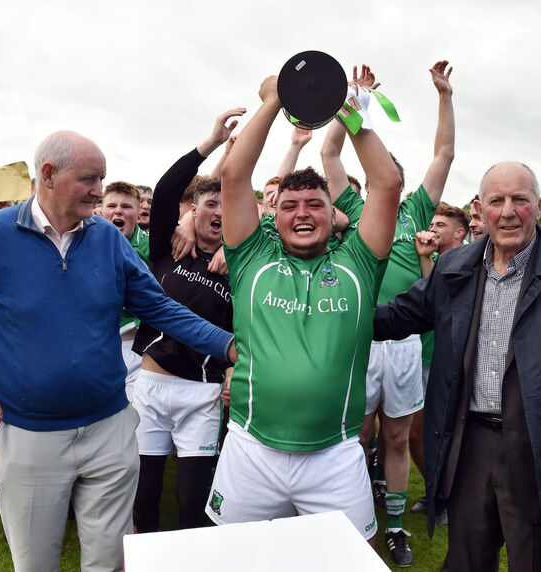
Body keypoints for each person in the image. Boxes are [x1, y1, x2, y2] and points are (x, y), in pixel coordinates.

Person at [0, 130, 236, 572]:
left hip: (111, 431)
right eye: (90, 179)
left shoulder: (108, 239)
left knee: (110, 562)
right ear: (48, 174)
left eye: (102, 179)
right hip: (29, 437)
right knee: (37, 563)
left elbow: (160, 307)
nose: (100, 191)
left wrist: (230, 346)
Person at [373, 162, 541, 571]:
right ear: (481, 208)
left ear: (540, 205)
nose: (508, 211)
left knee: (536, 561)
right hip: (470, 447)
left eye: (519, 200)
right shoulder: (455, 269)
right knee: (468, 560)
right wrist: (334, 313)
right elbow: (397, 317)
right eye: (497, 201)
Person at [205, 74, 402, 546]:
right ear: (275, 214)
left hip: (335, 453)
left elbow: (387, 182)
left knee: (354, 558)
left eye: (315, 203)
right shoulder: (251, 257)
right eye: (290, 205)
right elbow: (234, 175)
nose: (302, 213)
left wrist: (346, 108)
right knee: (236, 558)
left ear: (334, 214)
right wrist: (275, 100)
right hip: (251, 447)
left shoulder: (359, 261)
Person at [321, 61, 454, 566]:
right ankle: (351, 519)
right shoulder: (353, 209)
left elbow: (444, 153)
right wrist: (353, 99)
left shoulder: (417, 211)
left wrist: (444, 95)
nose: (387, 181)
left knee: (397, 438)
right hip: (356, 339)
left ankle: (395, 527)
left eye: (391, 174)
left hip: (402, 345)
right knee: (354, 438)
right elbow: (330, 150)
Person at [132, 108, 242, 533]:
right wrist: (210, 143)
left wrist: (233, 366)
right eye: (210, 203)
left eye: (226, 204)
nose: (219, 210)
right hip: (151, 389)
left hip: (202, 393)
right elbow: (164, 191)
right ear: (193, 212)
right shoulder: (167, 246)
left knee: (193, 499)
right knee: (144, 494)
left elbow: (245, 330)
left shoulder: (243, 266)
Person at [410, 203, 470, 524]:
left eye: (441, 225)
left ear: (460, 233)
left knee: (445, 433)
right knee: (420, 434)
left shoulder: (469, 264)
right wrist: (423, 257)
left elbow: (440, 300)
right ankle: (441, 494)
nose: (432, 228)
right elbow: (426, 296)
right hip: (422, 357)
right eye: (431, 222)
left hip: (448, 363)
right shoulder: (432, 259)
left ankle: (448, 497)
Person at [100, 181, 150, 402]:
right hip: (98, 344)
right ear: (101, 211)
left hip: (140, 348)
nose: (118, 211)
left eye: (126, 206)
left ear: (139, 213)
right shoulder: (82, 242)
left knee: (135, 424)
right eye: (111, 205)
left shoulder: (156, 246)